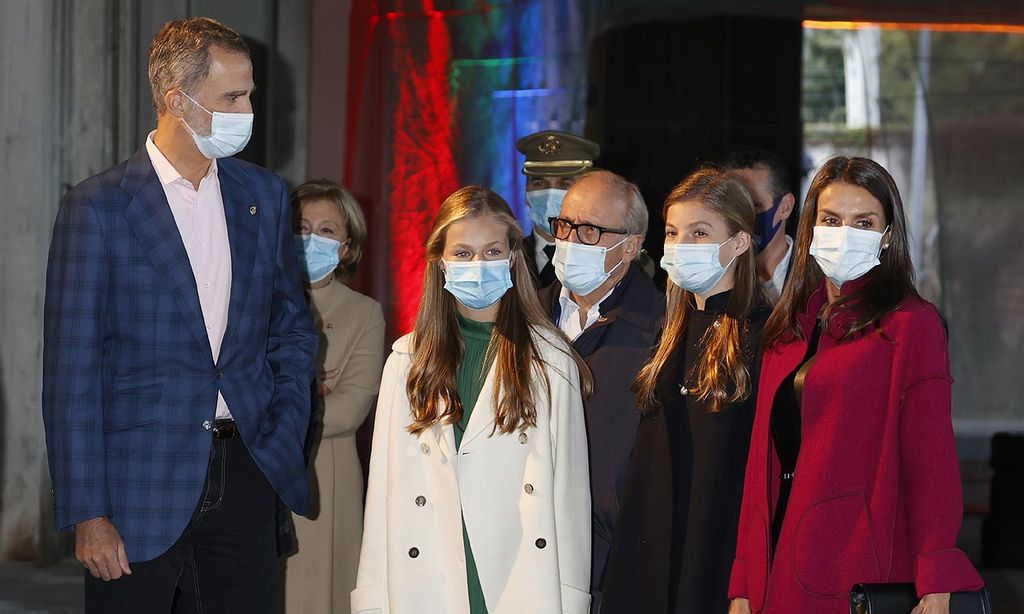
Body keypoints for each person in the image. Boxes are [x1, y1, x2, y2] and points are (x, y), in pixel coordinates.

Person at [42, 17, 317, 613]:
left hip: (247, 470)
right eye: (232, 97)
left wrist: (282, 427)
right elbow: (72, 372)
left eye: (249, 94)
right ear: (177, 101)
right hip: (135, 490)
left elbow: (290, 328)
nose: (248, 110)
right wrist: (88, 511)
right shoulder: (98, 207)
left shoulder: (264, 195)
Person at [727, 157, 985, 614]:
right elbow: (757, 471)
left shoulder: (911, 325)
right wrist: (744, 582)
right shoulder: (786, 330)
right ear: (810, 228)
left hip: (853, 570)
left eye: (863, 222)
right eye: (831, 220)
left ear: (886, 234)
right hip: (778, 561)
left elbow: (932, 461)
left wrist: (937, 579)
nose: (844, 233)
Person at [352, 186, 593, 614]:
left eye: (492, 251)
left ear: (513, 257)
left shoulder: (552, 362)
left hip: (520, 575)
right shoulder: (407, 361)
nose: (478, 265)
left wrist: (571, 599)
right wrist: (372, 599)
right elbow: (385, 495)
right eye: (462, 253)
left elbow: (570, 499)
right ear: (439, 262)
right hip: (428, 576)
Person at [601, 167, 768, 614]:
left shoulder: (763, 337)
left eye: (699, 233)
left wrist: (746, 583)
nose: (679, 246)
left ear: (738, 243)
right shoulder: (665, 333)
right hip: (650, 552)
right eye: (673, 232)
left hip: (717, 557)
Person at [539, 169, 664, 611]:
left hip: (604, 563)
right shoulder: (524, 316)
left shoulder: (661, 333)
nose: (570, 241)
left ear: (629, 246)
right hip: (521, 546)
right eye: (564, 225)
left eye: (589, 230)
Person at [285, 180, 386, 614]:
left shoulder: (364, 313)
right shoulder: (256, 300)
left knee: (317, 595)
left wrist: (286, 392)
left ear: (347, 246)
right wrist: (311, 387)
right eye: (302, 227)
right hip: (258, 476)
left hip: (326, 478)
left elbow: (350, 409)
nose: (312, 239)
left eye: (327, 230)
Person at [516, 130, 601, 287]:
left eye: (565, 184)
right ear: (526, 192)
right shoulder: (508, 257)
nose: (550, 194)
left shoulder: (605, 260)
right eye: (540, 183)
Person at [725, 150, 797, 303]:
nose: (742, 217)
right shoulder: (715, 275)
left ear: (785, 207)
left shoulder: (817, 276)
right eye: (732, 206)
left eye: (754, 205)